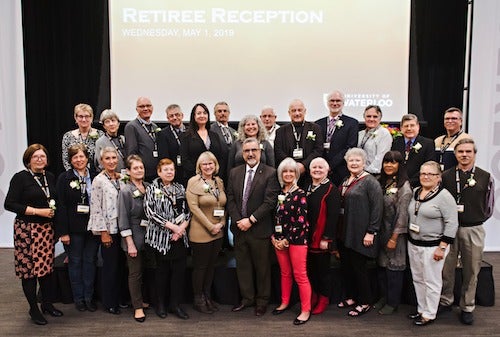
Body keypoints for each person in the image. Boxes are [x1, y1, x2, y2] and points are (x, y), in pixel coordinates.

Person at [4, 144, 63, 325]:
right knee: (29, 272)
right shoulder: (20, 178)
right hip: (27, 231)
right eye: (35, 157)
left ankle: (47, 304)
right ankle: (33, 309)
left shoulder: (50, 177)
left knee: (46, 271)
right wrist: (38, 211)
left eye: (42, 156)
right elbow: (10, 204)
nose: (39, 159)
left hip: (46, 231)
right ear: (28, 160)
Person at [439, 138, 494, 325]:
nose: (464, 155)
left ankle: (467, 306)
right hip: (449, 230)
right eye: (460, 151)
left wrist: (476, 220)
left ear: (474, 154)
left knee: (471, 270)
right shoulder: (445, 176)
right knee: (447, 269)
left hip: (473, 229)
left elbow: (489, 205)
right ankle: (446, 300)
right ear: (455, 154)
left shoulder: (485, 176)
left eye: (468, 152)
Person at [226, 138, 281, 316]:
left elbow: (270, 202)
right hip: (240, 229)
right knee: (243, 267)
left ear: (260, 152)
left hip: (259, 229)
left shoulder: (271, 173)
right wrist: (238, 221)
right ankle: (247, 299)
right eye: (247, 150)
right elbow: (231, 199)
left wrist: (250, 220)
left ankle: (262, 301)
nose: (250, 154)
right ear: (242, 153)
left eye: (254, 150)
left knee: (262, 268)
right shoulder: (234, 172)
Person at [407, 161, 458, 326]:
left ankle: (430, 313)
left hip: (434, 246)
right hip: (414, 243)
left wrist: (442, 247)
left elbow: (452, 223)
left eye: (431, 174)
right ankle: (421, 309)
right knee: (418, 278)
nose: (426, 177)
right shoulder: (416, 192)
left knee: (432, 281)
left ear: (439, 177)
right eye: (423, 173)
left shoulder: (445, 196)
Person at [337, 148, 383, 317]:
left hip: (361, 233)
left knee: (360, 270)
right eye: (351, 160)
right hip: (345, 232)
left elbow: (378, 208)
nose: (354, 163)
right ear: (347, 163)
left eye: (358, 160)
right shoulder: (346, 179)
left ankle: (365, 302)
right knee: (348, 268)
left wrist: (371, 231)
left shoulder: (370, 181)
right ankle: (352, 297)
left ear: (364, 163)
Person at [144, 158, 190, 320]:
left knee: (178, 273)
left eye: (171, 169)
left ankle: (175, 304)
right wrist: (172, 227)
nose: (170, 172)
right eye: (166, 170)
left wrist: (181, 229)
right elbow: (150, 213)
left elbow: (187, 211)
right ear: (159, 172)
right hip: (160, 239)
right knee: (161, 274)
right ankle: (161, 305)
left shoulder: (180, 188)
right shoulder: (152, 188)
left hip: (179, 237)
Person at [56, 144, 99, 312]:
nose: (79, 160)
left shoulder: (95, 176)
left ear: (87, 158)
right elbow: (61, 206)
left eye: (82, 156)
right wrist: (63, 232)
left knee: (90, 262)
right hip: (73, 229)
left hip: (92, 227)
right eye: (75, 157)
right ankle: (78, 298)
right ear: (70, 160)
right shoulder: (64, 178)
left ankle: (89, 297)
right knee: (75, 263)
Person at [271, 158, 312, 325]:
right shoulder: (279, 192)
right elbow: (273, 216)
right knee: (285, 273)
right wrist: (274, 238)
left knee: (300, 275)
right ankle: (285, 302)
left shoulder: (300, 194)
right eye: (285, 171)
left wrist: (287, 240)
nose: (288, 174)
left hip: (296, 240)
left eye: (291, 171)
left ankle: (305, 310)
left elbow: (301, 220)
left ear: (296, 174)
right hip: (278, 240)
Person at [186, 151, 226, 314]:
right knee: (200, 267)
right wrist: (211, 226)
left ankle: (207, 296)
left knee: (211, 267)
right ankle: (198, 298)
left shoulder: (219, 181)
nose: (208, 166)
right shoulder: (193, 182)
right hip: (201, 232)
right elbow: (194, 208)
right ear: (199, 166)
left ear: (215, 165)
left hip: (218, 232)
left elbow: (222, 205)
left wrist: (222, 223)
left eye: (211, 163)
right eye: (204, 164)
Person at [87, 146, 125, 315]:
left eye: (113, 158)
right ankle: (109, 302)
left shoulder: (122, 178)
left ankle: (121, 298)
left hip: (123, 229)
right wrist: (103, 232)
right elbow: (95, 208)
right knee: (110, 268)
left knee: (121, 267)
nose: (111, 161)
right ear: (101, 161)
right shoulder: (98, 181)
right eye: (107, 159)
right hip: (109, 231)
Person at [373, 151, 412, 315]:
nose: (389, 165)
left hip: (396, 235)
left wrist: (394, 238)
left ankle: (392, 302)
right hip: (380, 232)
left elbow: (403, 215)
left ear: (400, 165)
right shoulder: (380, 182)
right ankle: (384, 297)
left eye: (393, 162)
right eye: (386, 162)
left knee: (394, 270)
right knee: (382, 267)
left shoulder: (404, 187)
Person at [306, 157, 341, 315]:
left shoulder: (331, 189)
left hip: (321, 239)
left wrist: (327, 238)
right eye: (314, 167)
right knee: (311, 270)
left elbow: (333, 217)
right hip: (307, 237)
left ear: (327, 170)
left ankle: (323, 298)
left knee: (323, 272)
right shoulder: (308, 187)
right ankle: (313, 295)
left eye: (321, 167)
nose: (317, 170)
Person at [117, 155, 149, 322]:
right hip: (133, 238)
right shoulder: (125, 191)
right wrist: (129, 244)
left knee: (145, 272)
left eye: (141, 167)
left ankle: (141, 300)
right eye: (135, 168)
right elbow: (122, 220)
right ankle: (137, 307)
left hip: (149, 237)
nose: (139, 170)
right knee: (135, 274)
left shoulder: (149, 187)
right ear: (128, 171)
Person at [274, 99, 323, 188]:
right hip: (288, 174)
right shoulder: (280, 131)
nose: (297, 113)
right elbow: (278, 151)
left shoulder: (315, 128)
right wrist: (292, 166)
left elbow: (318, 150)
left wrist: (304, 165)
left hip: (309, 173)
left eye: (299, 110)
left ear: (305, 111)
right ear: (289, 113)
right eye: (293, 111)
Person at [315, 90, 358, 186]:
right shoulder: (318, 123)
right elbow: (316, 147)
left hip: (342, 170)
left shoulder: (352, 123)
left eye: (338, 101)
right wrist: (324, 165)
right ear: (327, 103)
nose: (335, 103)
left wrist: (331, 165)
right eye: (332, 101)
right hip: (321, 170)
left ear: (343, 103)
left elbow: (350, 147)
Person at [180, 103, 227, 183]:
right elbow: (185, 159)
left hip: (214, 179)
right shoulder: (186, 136)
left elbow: (221, 157)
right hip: (194, 179)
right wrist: (200, 175)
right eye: (199, 113)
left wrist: (215, 175)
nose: (202, 115)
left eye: (205, 113)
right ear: (193, 116)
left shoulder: (214, 135)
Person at [391, 113, 435, 187]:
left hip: (419, 184)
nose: (409, 128)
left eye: (412, 125)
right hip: (398, 184)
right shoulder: (396, 142)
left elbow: (429, 165)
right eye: (406, 126)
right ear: (401, 128)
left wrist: (410, 182)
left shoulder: (428, 143)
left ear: (418, 127)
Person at [124, 97, 160, 182]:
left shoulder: (155, 126)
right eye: (142, 106)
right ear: (137, 109)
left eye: (148, 106)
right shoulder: (132, 126)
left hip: (156, 173)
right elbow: (131, 152)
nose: (146, 108)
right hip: (142, 175)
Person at [61, 103, 104, 171]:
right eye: (80, 116)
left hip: (96, 175)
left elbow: (103, 158)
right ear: (75, 118)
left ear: (91, 117)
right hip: (74, 176)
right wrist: (73, 175)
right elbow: (66, 159)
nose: (84, 119)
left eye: (87, 116)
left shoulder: (100, 135)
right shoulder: (68, 136)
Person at [357, 105, 392, 175]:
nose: (371, 119)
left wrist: (366, 173)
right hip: (358, 173)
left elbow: (380, 157)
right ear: (364, 117)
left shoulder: (384, 133)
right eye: (368, 116)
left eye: (375, 116)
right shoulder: (360, 134)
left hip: (374, 174)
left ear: (380, 118)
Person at [157, 104, 187, 185]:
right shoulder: (162, 134)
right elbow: (163, 158)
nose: (174, 118)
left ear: (182, 115)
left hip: (190, 173)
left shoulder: (191, 131)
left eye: (177, 115)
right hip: (173, 175)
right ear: (167, 118)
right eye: (171, 116)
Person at [434, 107, 470, 171]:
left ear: (461, 121)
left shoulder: (466, 139)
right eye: (447, 119)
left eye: (454, 118)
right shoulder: (437, 140)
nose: (450, 121)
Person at [94, 109, 126, 174]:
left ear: (118, 123)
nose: (111, 124)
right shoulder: (100, 142)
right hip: (110, 177)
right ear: (104, 126)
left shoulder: (123, 139)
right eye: (107, 122)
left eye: (113, 120)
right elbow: (100, 164)